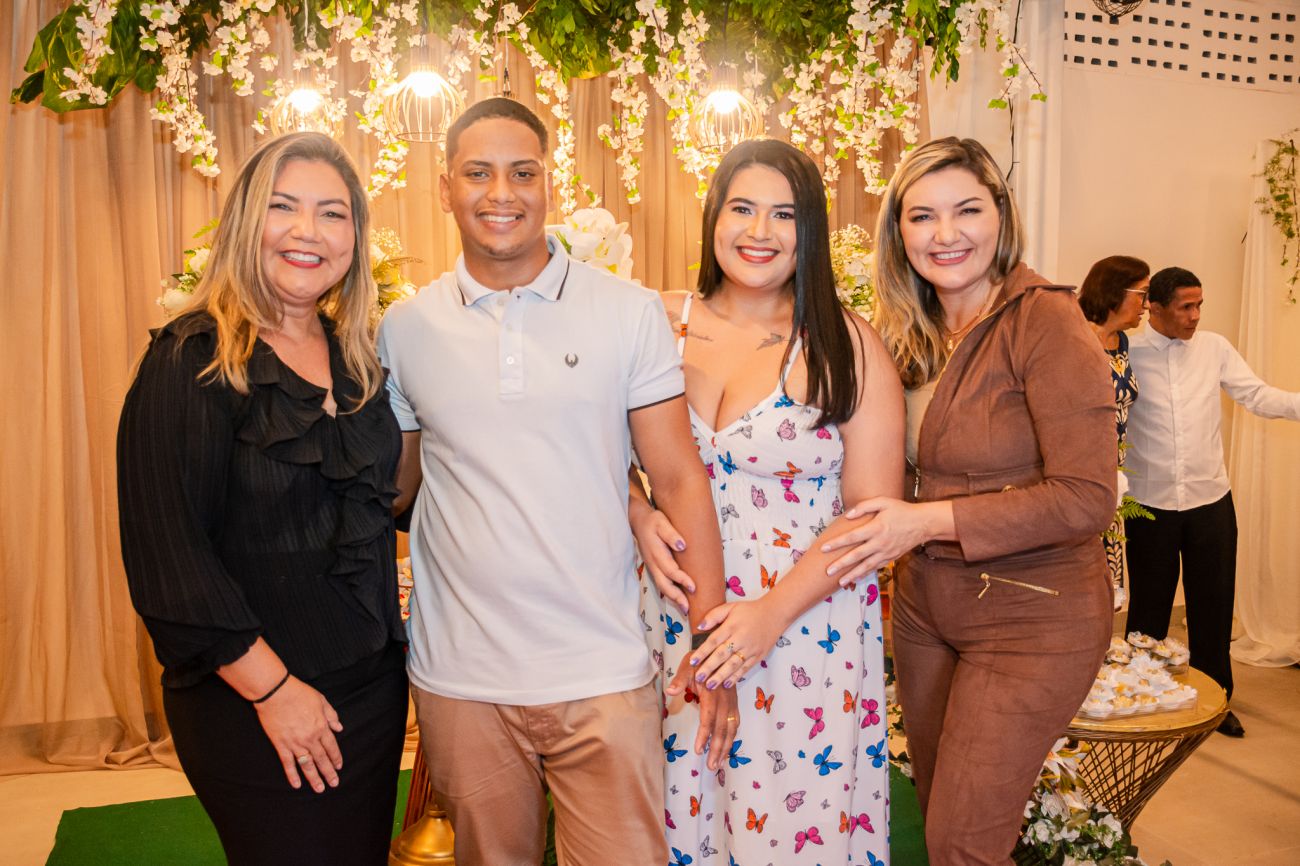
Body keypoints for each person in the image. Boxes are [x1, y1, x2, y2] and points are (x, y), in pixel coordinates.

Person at [375, 97, 724, 866]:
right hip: (463, 677)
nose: (501, 192)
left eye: (522, 173)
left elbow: (677, 477)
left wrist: (708, 635)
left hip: (601, 668)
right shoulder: (405, 328)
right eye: (478, 173)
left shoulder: (627, 312)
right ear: (444, 188)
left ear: (549, 183)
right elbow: (395, 490)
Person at [818, 137, 1117, 865]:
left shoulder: (1045, 320)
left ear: (1001, 216)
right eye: (922, 216)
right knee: (942, 818)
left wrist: (923, 522)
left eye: (967, 211)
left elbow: (1087, 498)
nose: (945, 234)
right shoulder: (909, 330)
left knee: (961, 843)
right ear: (899, 232)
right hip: (927, 610)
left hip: (1033, 615)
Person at [117, 132, 408, 865]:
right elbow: (169, 562)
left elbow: (384, 507)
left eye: (332, 213)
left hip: (371, 695)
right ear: (247, 221)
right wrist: (275, 692)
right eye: (284, 207)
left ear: (355, 238)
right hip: (252, 702)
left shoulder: (358, 361)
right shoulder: (192, 358)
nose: (308, 231)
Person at [632, 139, 903, 865]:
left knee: (784, 828)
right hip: (670, 615)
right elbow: (589, 448)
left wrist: (768, 617)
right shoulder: (655, 320)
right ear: (712, 218)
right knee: (671, 813)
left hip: (801, 628)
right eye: (742, 208)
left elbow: (872, 517)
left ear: (809, 229)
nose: (760, 231)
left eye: (784, 215)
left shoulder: (847, 344)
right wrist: (637, 512)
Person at [1124, 266, 1300, 738]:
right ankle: (1140, 696)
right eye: (1186, 306)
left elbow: (1256, 395)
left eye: (1199, 304)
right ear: (1154, 307)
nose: (1196, 315)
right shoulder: (1126, 352)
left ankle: (1215, 701)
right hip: (1149, 504)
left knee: (1213, 605)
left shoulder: (1215, 348)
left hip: (1210, 500)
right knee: (1149, 610)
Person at [1078, 255, 1150, 605]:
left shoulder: (1121, 341)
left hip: (1113, 478)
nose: (1147, 305)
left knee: (1107, 593)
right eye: (1143, 294)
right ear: (1116, 292)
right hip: (1081, 475)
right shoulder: (1076, 338)